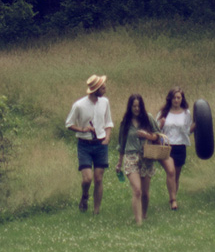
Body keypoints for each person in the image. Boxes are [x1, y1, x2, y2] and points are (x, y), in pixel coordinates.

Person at [115, 92, 167, 225]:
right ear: (130, 107)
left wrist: (147, 135)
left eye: (138, 106)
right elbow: (121, 144)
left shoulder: (148, 118)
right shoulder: (125, 122)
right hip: (131, 157)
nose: (136, 109)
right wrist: (119, 163)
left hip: (146, 157)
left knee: (145, 193)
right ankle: (138, 222)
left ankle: (144, 214)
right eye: (134, 106)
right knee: (137, 190)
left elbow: (158, 135)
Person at [65, 74, 113, 213]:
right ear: (95, 89)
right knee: (87, 179)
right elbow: (69, 123)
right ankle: (85, 195)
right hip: (84, 144)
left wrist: (107, 137)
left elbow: (108, 122)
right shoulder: (79, 105)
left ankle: (96, 210)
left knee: (98, 178)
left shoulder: (105, 102)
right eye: (102, 87)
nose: (105, 89)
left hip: (101, 144)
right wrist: (82, 129)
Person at [157, 86, 195, 211]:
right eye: (174, 97)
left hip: (180, 146)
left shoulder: (186, 113)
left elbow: (187, 131)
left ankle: (173, 196)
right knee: (171, 171)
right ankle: (173, 201)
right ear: (170, 99)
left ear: (182, 99)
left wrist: (197, 125)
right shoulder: (163, 113)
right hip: (166, 146)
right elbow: (155, 130)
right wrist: (160, 124)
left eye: (178, 97)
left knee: (176, 176)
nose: (176, 100)